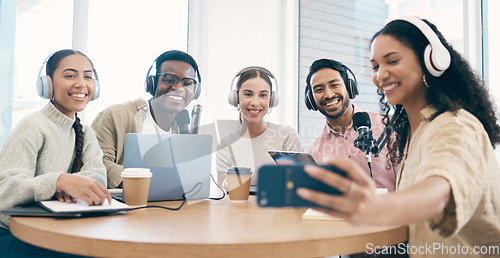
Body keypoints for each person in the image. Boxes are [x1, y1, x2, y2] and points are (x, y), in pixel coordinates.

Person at [297, 17, 500, 257]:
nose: (381, 75)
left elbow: (438, 191)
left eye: (392, 61)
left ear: (431, 61)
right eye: (375, 66)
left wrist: (376, 207)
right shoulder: (414, 132)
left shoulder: (453, 125)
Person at [0, 49, 110, 256]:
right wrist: (58, 182)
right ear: (47, 85)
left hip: (57, 230)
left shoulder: (86, 133)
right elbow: (5, 191)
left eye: (88, 76)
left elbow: (97, 179)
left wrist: (71, 185)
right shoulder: (32, 125)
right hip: (12, 233)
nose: (81, 83)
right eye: (70, 75)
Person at [91, 50, 202, 188]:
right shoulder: (115, 115)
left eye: (187, 83)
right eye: (169, 80)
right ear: (152, 83)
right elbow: (96, 164)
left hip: (170, 204)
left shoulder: (183, 128)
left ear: (195, 92)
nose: (178, 88)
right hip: (124, 205)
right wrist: (146, 182)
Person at [305, 59, 397, 191]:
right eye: (319, 90)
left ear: (349, 87)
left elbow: (408, 182)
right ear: (311, 99)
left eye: (334, 85)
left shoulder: (388, 126)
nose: (329, 94)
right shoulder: (314, 151)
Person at [216, 66, 303, 186]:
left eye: (263, 95)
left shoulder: (286, 136)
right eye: (248, 94)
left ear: (271, 100)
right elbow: (222, 197)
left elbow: (300, 186)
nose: (255, 103)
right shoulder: (225, 146)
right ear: (236, 98)